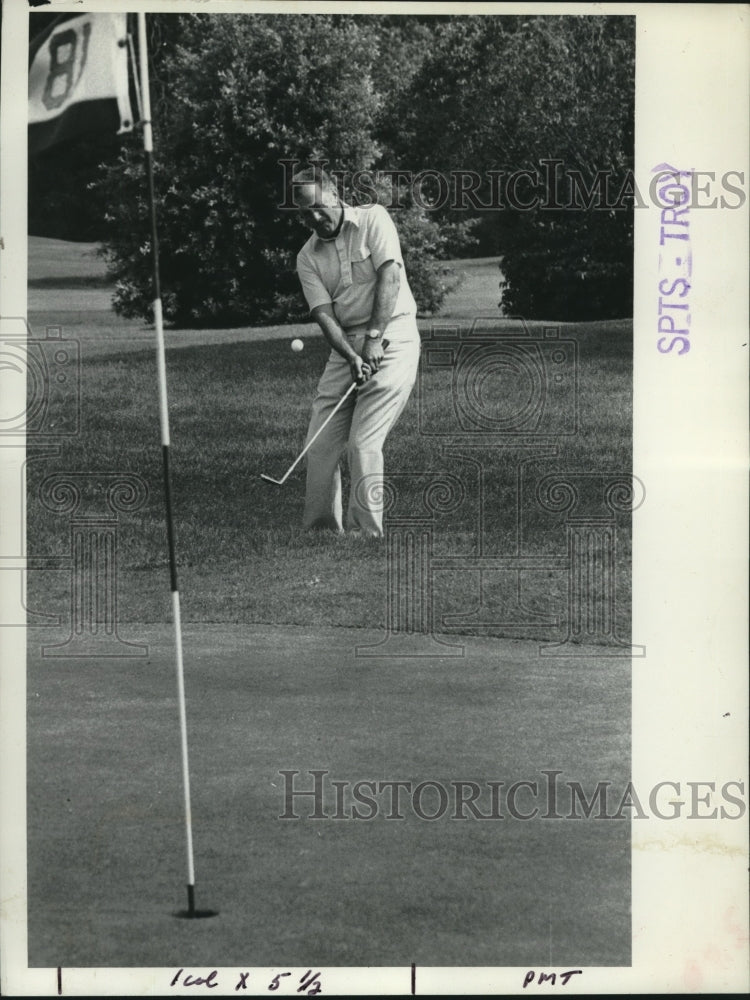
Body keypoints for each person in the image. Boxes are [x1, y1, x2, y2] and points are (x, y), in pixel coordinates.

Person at [291, 165, 421, 537]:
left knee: (362, 443)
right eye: (304, 213)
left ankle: (366, 533)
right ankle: (320, 532)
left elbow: (390, 277)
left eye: (318, 206)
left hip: (393, 335)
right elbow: (325, 316)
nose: (314, 218)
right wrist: (351, 355)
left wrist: (375, 339)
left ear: (334, 194)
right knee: (319, 443)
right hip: (346, 345)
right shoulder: (307, 256)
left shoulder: (374, 219)